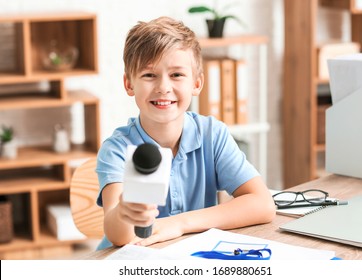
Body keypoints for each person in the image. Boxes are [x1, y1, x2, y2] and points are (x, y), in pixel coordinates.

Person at [95, 16, 275, 250]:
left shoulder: (212, 134)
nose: (163, 87)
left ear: (197, 83)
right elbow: (119, 235)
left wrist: (179, 224)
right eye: (149, 75)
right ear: (129, 84)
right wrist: (123, 212)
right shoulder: (118, 148)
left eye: (177, 75)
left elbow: (262, 204)